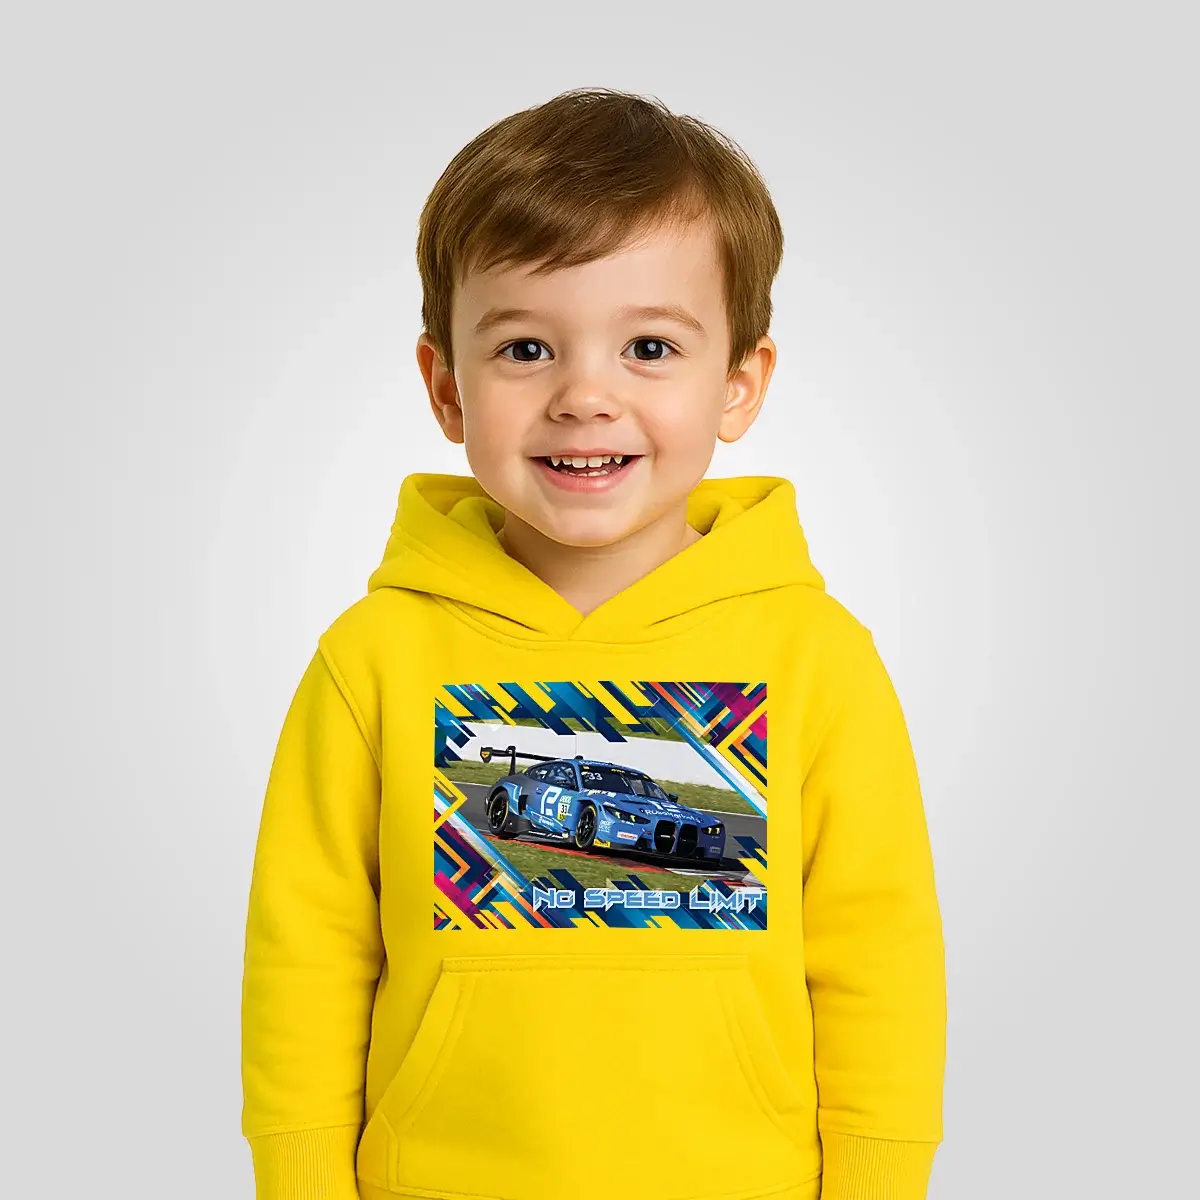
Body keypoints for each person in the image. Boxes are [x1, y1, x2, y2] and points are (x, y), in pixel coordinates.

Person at [240, 87, 946, 1200]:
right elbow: (308, 954)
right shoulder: (372, 658)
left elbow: (880, 962)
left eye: (648, 347)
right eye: (526, 347)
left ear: (739, 386)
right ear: (447, 389)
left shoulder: (817, 658)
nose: (584, 396)